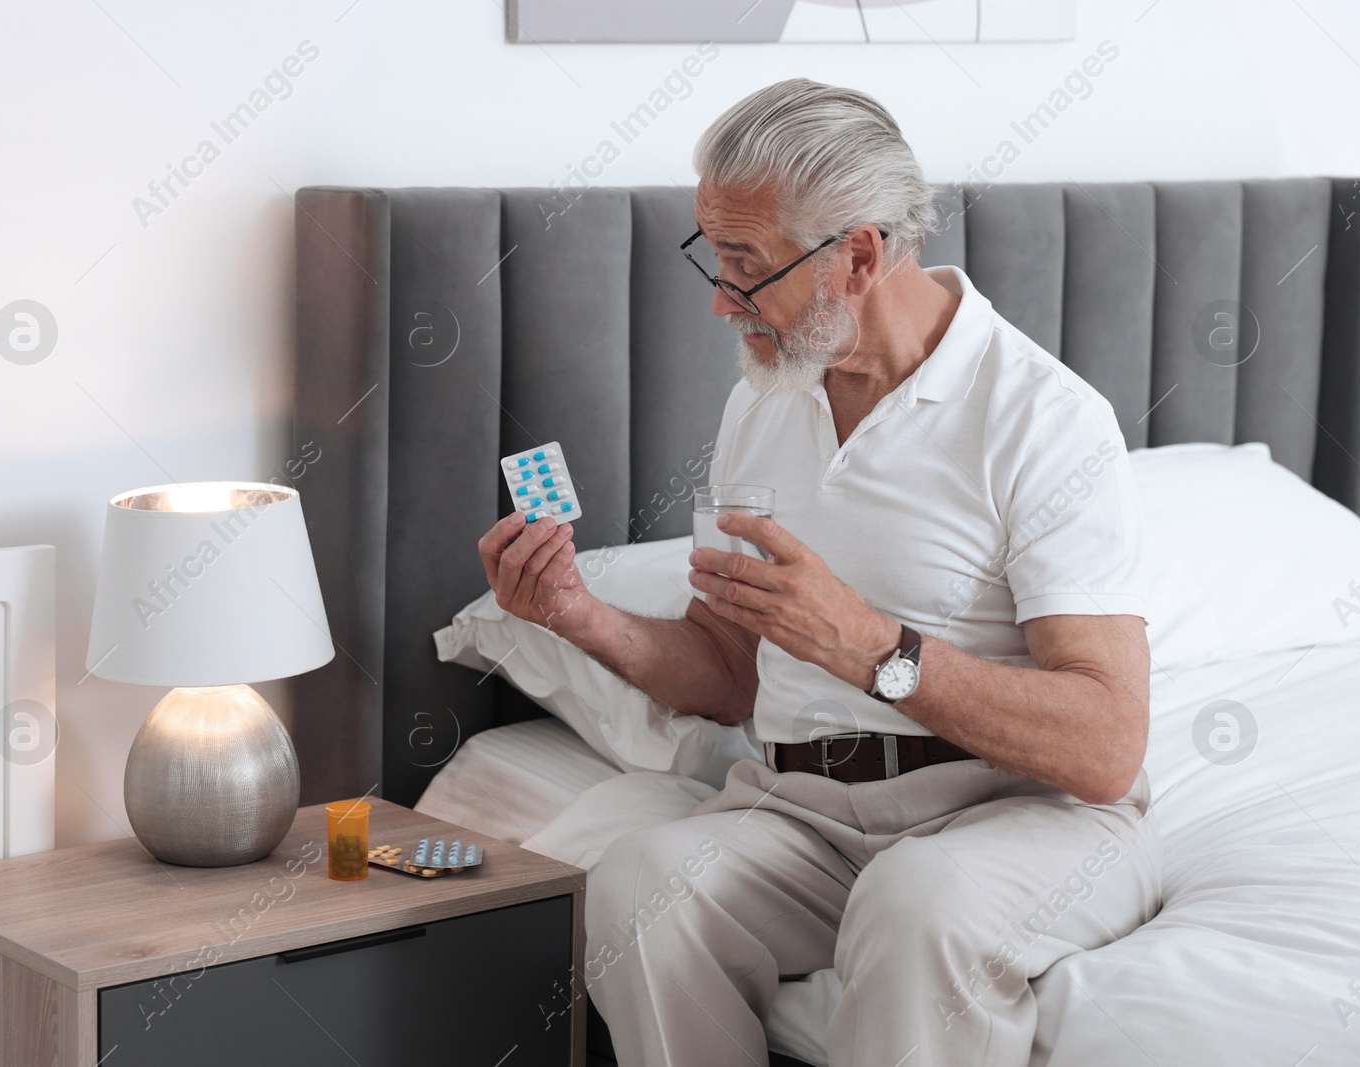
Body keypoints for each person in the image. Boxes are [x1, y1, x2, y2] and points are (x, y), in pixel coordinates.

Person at [475, 78, 1161, 1067]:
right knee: (637, 885)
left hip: (1023, 814)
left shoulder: (1042, 419)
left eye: (746, 266)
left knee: (916, 899)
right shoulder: (764, 400)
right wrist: (581, 615)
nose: (719, 300)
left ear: (861, 252)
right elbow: (731, 671)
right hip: (806, 812)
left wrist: (874, 648)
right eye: (712, 258)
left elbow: (1106, 744)